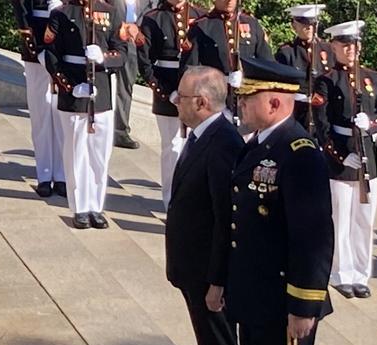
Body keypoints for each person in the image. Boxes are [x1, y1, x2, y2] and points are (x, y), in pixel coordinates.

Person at [226, 56, 334, 345]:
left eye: (247, 97)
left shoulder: (299, 154)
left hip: (283, 304)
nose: (240, 103)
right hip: (255, 298)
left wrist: (302, 306)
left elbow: (313, 238)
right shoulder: (260, 143)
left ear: (274, 103)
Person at [165, 66, 243, 345]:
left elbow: (226, 218)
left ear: (201, 102)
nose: (175, 101)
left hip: (207, 275)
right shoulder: (204, 135)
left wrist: (217, 281)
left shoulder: (223, 143)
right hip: (193, 270)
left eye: (181, 97)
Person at [312, 20, 377, 299]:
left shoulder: (373, 77)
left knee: (364, 220)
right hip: (342, 157)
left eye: (354, 44)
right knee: (340, 217)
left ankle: (360, 273)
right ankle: (341, 272)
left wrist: (374, 123)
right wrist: (341, 156)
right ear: (334, 46)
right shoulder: (327, 80)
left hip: (368, 154)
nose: (351, 49)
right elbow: (322, 125)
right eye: (345, 44)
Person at [44, 0, 127, 229]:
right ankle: (80, 207)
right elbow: (51, 57)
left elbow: (121, 53)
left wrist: (103, 58)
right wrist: (69, 87)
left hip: (101, 93)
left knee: (100, 155)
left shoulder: (110, 12)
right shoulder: (61, 14)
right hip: (73, 94)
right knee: (75, 153)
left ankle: (96, 207)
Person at [137, 0, 205, 209]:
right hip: (168, 89)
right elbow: (145, 62)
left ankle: (191, 197)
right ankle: (171, 199)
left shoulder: (200, 16)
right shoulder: (153, 18)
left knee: (196, 148)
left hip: (195, 91)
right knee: (172, 147)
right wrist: (165, 92)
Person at [179, 0, 273, 121]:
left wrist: (247, 78)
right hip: (214, 98)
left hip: (247, 97)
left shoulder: (251, 23)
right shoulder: (201, 26)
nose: (229, 2)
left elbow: (267, 63)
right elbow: (190, 69)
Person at [12, 0, 66, 197]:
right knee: (40, 112)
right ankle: (44, 175)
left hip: (66, 49)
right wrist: (35, 47)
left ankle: (62, 175)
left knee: (63, 115)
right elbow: (22, 8)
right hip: (37, 44)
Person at [275, 4, 334, 130]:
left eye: (311, 24)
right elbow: (279, 88)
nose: (309, 28)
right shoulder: (287, 52)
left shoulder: (328, 50)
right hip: (298, 114)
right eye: (304, 24)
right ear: (294, 25)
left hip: (325, 116)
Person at [109, 0, 153, 149]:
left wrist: (138, 30)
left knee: (125, 86)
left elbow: (152, 13)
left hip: (132, 41)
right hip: (108, 37)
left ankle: (120, 131)